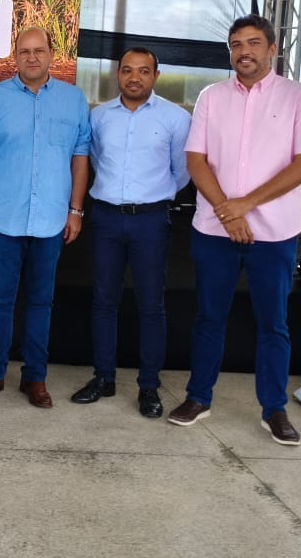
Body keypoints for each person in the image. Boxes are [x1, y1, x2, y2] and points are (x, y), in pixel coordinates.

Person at [168, 14, 301, 446]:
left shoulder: (298, 96)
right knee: (209, 318)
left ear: (272, 49)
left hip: (274, 234)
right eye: (237, 44)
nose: (244, 52)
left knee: (273, 324)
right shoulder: (212, 97)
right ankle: (198, 398)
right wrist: (229, 213)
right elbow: (196, 160)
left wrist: (246, 204)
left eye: (254, 43)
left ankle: (274, 409)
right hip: (214, 231)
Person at [0, 27, 90, 409]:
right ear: (14, 56)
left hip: (51, 220)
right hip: (3, 218)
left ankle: (35, 377)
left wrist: (75, 210)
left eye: (39, 50)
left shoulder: (73, 99)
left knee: (40, 302)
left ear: (51, 54)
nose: (32, 57)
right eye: (24, 51)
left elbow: (80, 158)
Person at [69, 48, 191, 417]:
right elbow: (93, 161)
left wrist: (151, 196)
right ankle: (103, 378)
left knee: (151, 305)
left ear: (156, 75)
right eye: (127, 70)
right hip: (106, 217)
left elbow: (182, 172)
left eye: (143, 71)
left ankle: (149, 387)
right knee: (104, 301)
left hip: (150, 221)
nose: (134, 78)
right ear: (118, 74)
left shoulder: (175, 118)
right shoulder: (99, 116)